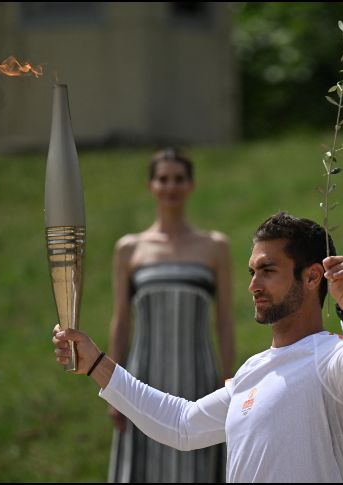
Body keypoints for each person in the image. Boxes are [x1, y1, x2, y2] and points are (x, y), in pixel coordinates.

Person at [53, 212, 343, 483]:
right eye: (252, 272)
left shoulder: (331, 359)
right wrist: (96, 364)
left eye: (268, 270)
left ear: (313, 278)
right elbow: (182, 424)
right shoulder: (251, 372)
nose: (253, 286)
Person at [105, 148, 235, 482]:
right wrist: (113, 389)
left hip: (199, 378)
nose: (171, 186)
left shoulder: (215, 247)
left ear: (191, 185)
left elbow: (224, 320)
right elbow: (121, 321)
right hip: (142, 376)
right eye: (163, 179)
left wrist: (230, 380)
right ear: (151, 185)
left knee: (198, 466)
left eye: (179, 179)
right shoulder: (129, 249)